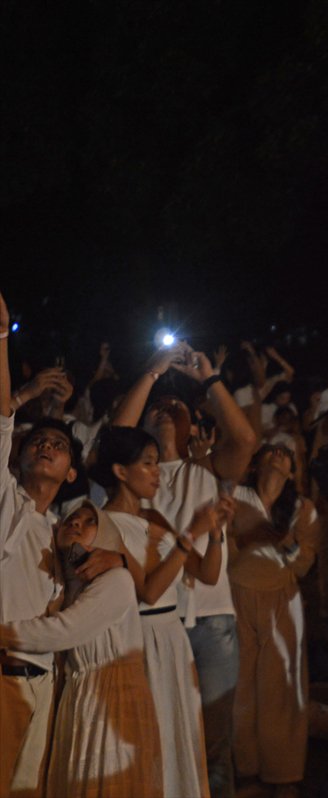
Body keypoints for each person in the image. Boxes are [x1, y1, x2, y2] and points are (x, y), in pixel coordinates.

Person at [111, 342, 257, 798]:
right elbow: (116, 435)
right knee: (158, 732)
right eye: (158, 407)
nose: (167, 411)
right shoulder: (137, 480)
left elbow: (246, 439)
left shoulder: (207, 471)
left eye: (178, 407)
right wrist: (153, 374)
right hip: (155, 622)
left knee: (214, 742)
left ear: (194, 423)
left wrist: (208, 379)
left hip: (211, 618)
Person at [0, 289, 122, 797]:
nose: (46, 445)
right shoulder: (8, 507)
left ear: (73, 472)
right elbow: (0, 419)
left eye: (59, 446)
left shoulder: (66, 529)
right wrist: (2, 337)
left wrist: (119, 557)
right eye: (37, 442)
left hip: (45, 682)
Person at [93, 425, 229, 798]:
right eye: (148, 464)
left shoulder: (156, 519)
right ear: (121, 471)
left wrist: (215, 534)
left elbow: (208, 572)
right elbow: (149, 591)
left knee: (177, 730)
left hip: (172, 637)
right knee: (150, 734)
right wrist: (188, 537)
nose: (157, 473)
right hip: (141, 639)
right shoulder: (104, 524)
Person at [0, 503, 162, 797]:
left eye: (90, 522)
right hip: (82, 696)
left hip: (110, 699)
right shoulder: (71, 584)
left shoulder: (116, 580)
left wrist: (3, 633)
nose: (76, 523)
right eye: (71, 518)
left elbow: (62, 631)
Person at [229, 444, 319, 796]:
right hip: (237, 594)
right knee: (243, 686)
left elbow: (304, 563)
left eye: (286, 454)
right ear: (256, 463)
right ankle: (247, 771)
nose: (279, 456)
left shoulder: (301, 508)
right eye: (272, 451)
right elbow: (221, 551)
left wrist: (286, 543)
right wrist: (249, 537)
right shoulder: (236, 497)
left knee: (282, 683)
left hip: (282, 598)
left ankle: (283, 773)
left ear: (293, 471)